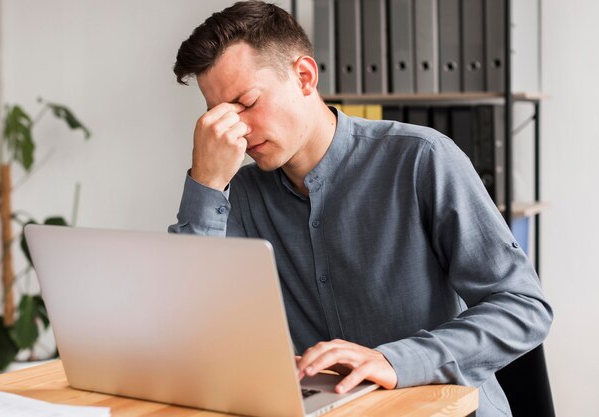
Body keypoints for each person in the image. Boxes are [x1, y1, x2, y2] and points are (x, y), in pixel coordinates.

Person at [168, 2, 552, 416]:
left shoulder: (421, 158)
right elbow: (193, 333)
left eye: (246, 103)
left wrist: (394, 360)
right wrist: (206, 184)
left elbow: (524, 307)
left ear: (304, 77)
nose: (236, 129)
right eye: (219, 114)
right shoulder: (237, 195)